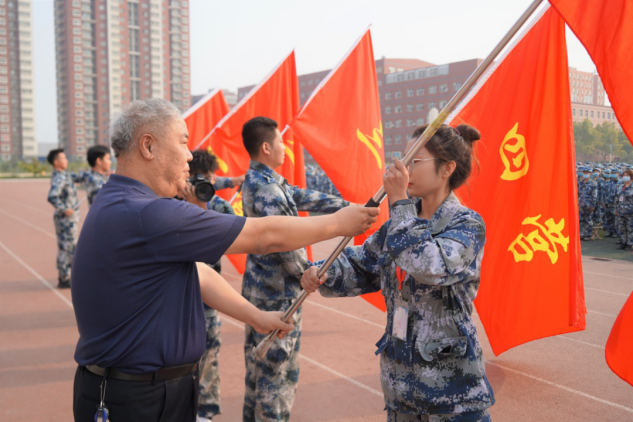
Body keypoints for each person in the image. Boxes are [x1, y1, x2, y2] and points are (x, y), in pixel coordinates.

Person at [70, 99, 379, 422]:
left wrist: (256, 317)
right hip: (137, 398)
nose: (190, 155)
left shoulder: (119, 200)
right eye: (183, 141)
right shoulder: (148, 212)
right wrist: (338, 224)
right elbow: (263, 237)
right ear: (148, 145)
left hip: (135, 389)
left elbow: (198, 274)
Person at [301, 124, 495, 422]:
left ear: (447, 169)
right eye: (403, 157)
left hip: (451, 394)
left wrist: (400, 203)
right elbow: (362, 264)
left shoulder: (467, 224)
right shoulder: (401, 221)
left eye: (414, 161)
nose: (403, 168)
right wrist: (325, 272)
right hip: (402, 386)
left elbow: (430, 266)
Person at [239, 116, 351, 422]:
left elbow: (300, 195)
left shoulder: (262, 180)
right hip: (277, 297)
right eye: (280, 141)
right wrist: (307, 273)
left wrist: (345, 206)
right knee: (276, 380)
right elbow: (286, 243)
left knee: (257, 374)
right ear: (266, 147)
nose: (285, 147)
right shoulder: (268, 189)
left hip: (260, 291)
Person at [182, 149, 234, 422]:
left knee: (184, 362)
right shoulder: (218, 206)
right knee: (208, 360)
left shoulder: (173, 203)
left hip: (185, 301)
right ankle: (204, 413)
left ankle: (196, 413)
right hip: (202, 302)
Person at [46, 148, 86, 288]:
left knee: (70, 246)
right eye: (63, 158)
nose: (66, 160)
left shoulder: (65, 175)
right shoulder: (59, 177)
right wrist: (64, 209)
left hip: (70, 219)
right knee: (66, 247)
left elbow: (80, 177)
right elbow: (52, 196)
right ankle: (64, 278)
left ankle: (66, 275)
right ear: (56, 162)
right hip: (65, 220)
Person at [615, 168, 633, 250]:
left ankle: (630, 243)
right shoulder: (620, 187)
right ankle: (624, 242)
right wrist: (616, 209)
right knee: (622, 228)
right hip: (621, 212)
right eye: (624, 175)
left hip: (630, 212)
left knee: (630, 228)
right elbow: (617, 199)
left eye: (627, 175)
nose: (625, 177)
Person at [578, 167, 597, 240]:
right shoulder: (581, 182)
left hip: (588, 205)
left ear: (590, 173)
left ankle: (588, 234)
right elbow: (578, 193)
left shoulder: (593, 183)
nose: (585, 174)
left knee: (588, 220)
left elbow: (594, 196)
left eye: (587, 173)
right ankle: (582, 233)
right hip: (581, 204)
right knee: (581, 220)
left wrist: (593, 205)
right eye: (584, 172)